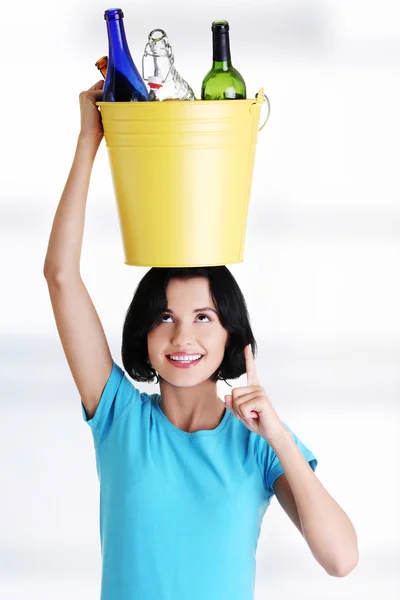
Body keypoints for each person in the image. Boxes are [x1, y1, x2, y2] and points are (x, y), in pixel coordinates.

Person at [43, 81, 359, 600]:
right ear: (144, 332)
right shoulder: (120, 416)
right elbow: (60, 275)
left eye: (204, 317)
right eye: (164, 316)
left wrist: (277, 435)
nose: (182, 335)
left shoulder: (258, 444)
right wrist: (88, 140)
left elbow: (342, 559)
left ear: (231, 331)